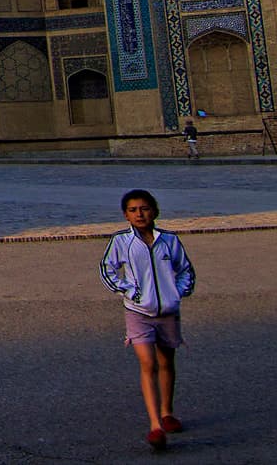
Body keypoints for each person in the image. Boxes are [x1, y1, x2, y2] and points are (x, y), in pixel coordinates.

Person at [100, 189, 196, 452]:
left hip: (167, 311)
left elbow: (185, 269)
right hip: (138, 312)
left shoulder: (169, 240)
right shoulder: (121, 241)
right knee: (148, 362)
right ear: (125, 215)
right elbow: (107, 269)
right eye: (133, 210)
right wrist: (130, 291)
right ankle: (155, 425)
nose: (139, 214)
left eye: (144, 208)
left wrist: (177, 292)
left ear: (154, 210)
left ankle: (167, 412)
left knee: (167, 362)